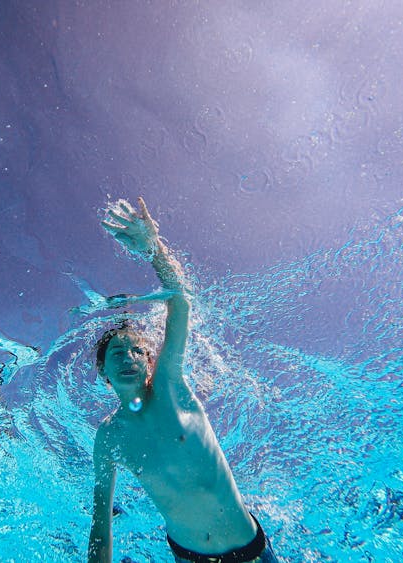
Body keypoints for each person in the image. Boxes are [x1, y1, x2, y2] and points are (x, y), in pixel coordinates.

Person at [88, 197, 277, 563]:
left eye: (137, 352)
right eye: (117, 354)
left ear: (151, 362)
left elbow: (180, 302)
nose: (128, 357)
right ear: (104, 373)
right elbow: (100, 522)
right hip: (188, 558)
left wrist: (153, 249)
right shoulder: (108, 438)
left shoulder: (169, 389)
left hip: (251, 552)